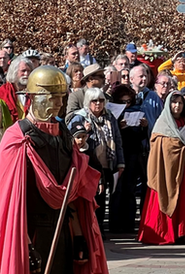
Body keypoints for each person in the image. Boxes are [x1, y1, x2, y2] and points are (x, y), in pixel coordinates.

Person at [0, 65, 109, 273]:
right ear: (35, 97)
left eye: (61, 97)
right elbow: (12, 202)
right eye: (52, 97)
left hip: (62, 232)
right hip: (31, 233)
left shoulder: (64, 136)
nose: (59, 104)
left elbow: (74, 196)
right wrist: (26, 246)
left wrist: (78, 236)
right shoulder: (17, 138)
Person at [138, 92, 185, 244]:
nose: (177, 106)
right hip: (166, 171)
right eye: (174, 103)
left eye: (180, 103)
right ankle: (165, 233)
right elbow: (163, 145)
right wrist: (184, 150)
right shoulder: (161, 125)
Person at [68, 88, 125, 231]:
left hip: (107, 162)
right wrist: (85, 131)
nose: (98, 103)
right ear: (88, 102)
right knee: (91, 197)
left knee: (102, 197)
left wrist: (120, 161)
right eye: (94, 101)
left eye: (101, 100)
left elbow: (117, 139)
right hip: (89, 165)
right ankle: (89, 229)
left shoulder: (109, 116)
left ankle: (99, 228)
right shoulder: (80, 117)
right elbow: (71, 138)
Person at [109, 84, 148, 233]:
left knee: (129, 189)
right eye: (123, 101)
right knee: (117, 189)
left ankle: (129, 223)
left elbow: (141, 136)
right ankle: (115, 223)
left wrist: (144, 126)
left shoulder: (136, 110)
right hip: (118, 153)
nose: (126, 104)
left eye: (129, 101)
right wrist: (120, 127)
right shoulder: (113, 113)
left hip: (133, 153)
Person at [0, 55, 34, 127]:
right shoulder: (3, 92)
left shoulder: (34, 92)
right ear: (15, 72)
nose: (26, 74)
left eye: (29, 71)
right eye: (23, 71)